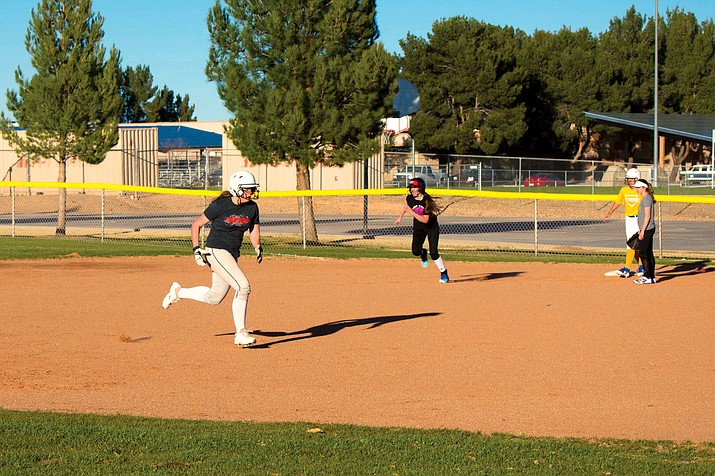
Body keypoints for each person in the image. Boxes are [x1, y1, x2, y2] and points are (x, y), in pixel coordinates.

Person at [161, 170, 264, 347]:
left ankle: (178, 292)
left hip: (231, 254)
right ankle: (240, 333)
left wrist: (257, 246)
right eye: (247, 189)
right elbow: (196, 225)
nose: (251, 192)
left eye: (252, 189)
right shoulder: (220, 206)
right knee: (243, 286)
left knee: (214, 297)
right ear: (236, 189)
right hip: (215, 250)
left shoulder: (252, 207)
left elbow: (253, 229)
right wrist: (196, 250)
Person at [394, 177, 449, 283]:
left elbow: (425, 220)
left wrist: (412, 212)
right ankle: (423, 253)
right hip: (419, 228)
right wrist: (400, 217)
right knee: (415, 251)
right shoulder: (409, 198)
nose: (412, 190)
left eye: (415, 187)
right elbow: (406, 206)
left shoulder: (426, 201)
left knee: (433, 253)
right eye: (411, 188)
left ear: (421, 188)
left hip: (431, 228)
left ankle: (444, 274)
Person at [604, 167, 644, 277]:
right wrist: (610, 212)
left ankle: (629, 268)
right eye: (628, 179)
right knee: (631, 244)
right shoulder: (624, 190)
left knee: (636, 244)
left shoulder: (640, 190)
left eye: (632, 179)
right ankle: (639, 267)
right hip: (629, 219)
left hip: (638, 219)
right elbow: (618, 202)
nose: (630, 181)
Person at [633, 179, 657, 284]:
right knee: (648, 253)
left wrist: (642, 231)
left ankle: (647, 276)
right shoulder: (646, 198)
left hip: (647, 229)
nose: (636, 189)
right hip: (647, 228)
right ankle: (651, 276)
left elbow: (647, 216)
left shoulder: (646, 198)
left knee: (643, 253)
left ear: (644, 188)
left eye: (638, 187)